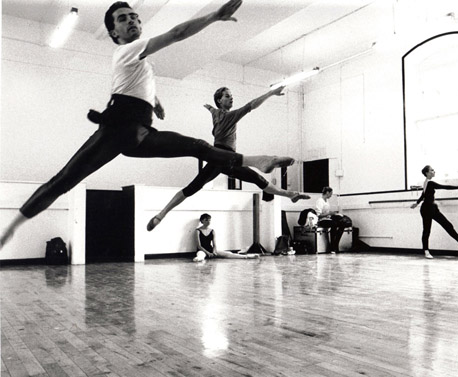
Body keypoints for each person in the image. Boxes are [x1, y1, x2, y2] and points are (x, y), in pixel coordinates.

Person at [0, 0, 295, 248]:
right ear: (114, 33)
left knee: (197, 146)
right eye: (122, 19)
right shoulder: (127, 50)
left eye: (134, 17)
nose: (131, 21)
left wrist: (155, 101)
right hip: (116, 131)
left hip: (141, 134)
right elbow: (178, 32)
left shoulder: (141, 63)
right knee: (64, 179)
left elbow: (139, 86)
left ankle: (259, 160)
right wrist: (215, 16)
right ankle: (12, 226)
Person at [146, 86, 310, 231]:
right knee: (254, 178)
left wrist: (208, 107)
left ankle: (290, 194)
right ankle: (267, 164)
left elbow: (212, 110)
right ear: (220, 100)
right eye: (227, 96)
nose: (231, 98)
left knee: (253, 179)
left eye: (231, 95)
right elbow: (250, 106)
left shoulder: (215, 113)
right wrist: (271, 93)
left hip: (223, 160)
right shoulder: (229, 116)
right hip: (223, 156)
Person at [410, 165, 458, 259]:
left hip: (433, 208)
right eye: (432, 170)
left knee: (447, 225)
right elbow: (444, 187)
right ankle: (426, 251)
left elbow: (423, 195)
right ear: (427, 173)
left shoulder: (426, 183)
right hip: (426, 209)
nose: (434, 171)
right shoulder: (429, 183)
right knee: (427, 230)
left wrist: (416, 203)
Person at [193, 213, 259, 262]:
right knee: (200, 256)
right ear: (202, 221)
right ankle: (198, 259)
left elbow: (214, 244)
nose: (208, 222)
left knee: (228, 254)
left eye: (209, 220)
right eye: (206, 220)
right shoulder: (198, 231)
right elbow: (199, 246)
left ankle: (247, 256)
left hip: (211, 249)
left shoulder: (212, 231)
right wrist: (208, 253)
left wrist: (214, 251)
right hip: (202, 250)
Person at [315, 186, 348, 253]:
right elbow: (318, 215)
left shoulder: (326, 201)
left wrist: (332, 214)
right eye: (330, 193)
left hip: (327, 218)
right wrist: (329, 213)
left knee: (342, 224)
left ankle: (336, 243)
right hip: (321, 220)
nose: (331, 195)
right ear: (327, 193)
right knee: (334, 224)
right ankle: (333, 246)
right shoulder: (320, 201)